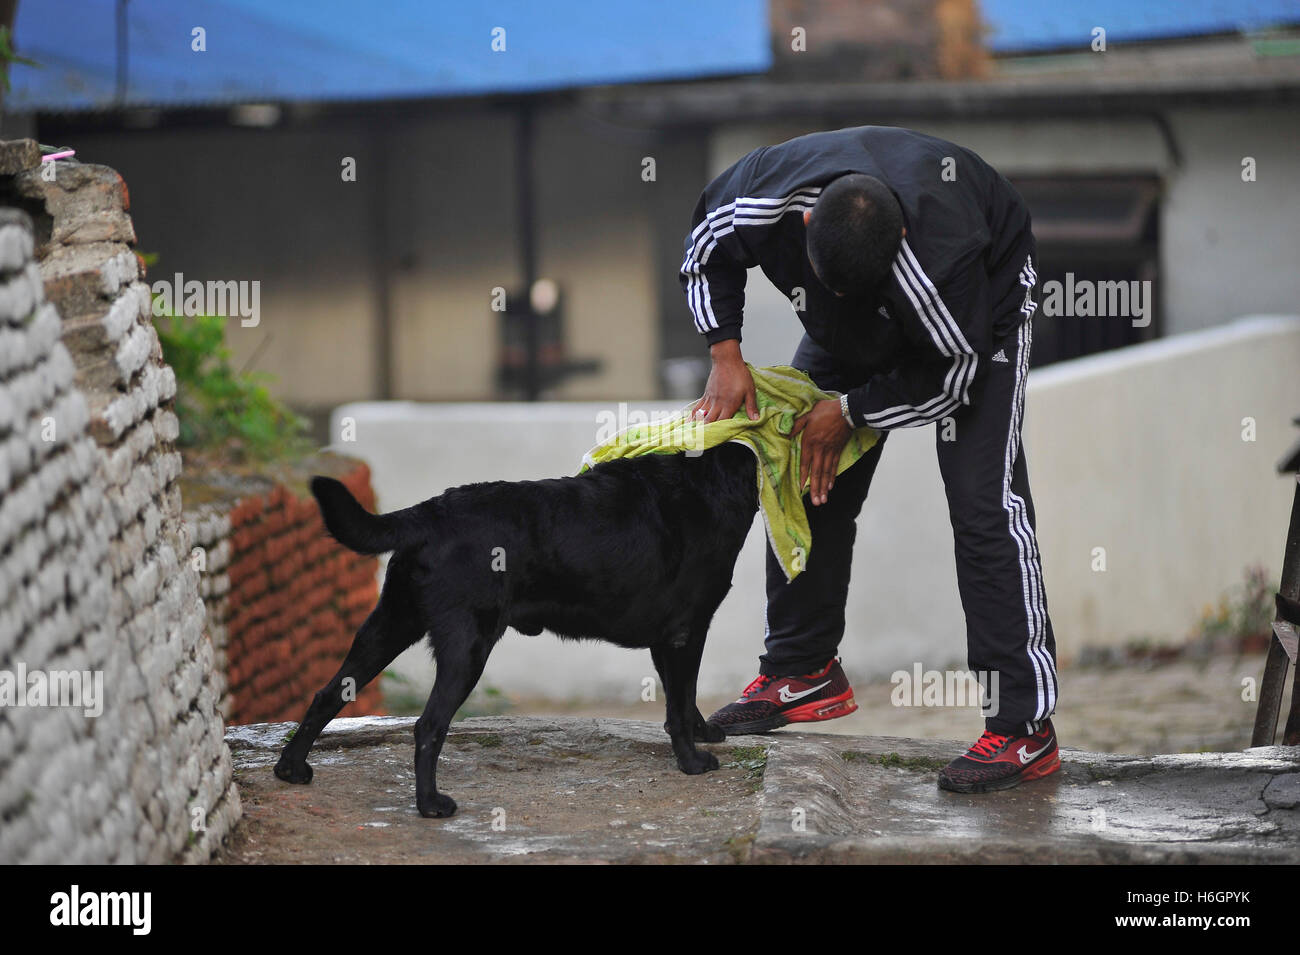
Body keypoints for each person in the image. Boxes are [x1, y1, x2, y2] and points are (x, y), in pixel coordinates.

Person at [680, 125, 1060, 792]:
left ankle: (1025, 729)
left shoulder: (942, 266)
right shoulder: (763, 197)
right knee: (797, 458)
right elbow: (705, 241)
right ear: (803, 227)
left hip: (978, 321)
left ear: (901, 246)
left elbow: (953, 378)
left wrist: (853, 411)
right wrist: (725, 354)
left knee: (982, 505)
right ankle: (803, 667)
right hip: (858, 306)